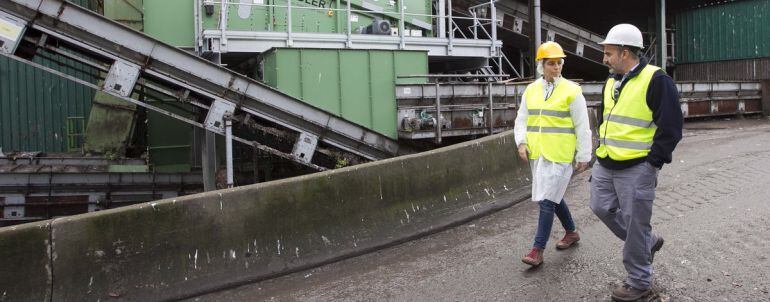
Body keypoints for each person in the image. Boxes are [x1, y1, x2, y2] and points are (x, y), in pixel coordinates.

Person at [590, 23, 683, 301]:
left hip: (638, 167)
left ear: (625, 52)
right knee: (600, 207)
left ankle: (640, 282)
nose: (604, 58)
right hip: (606, 162)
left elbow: (672, 126)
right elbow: (608, 120)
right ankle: (648, 244)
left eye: (608, 53)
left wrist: (653, 162)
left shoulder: (657, 80)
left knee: (635, 224)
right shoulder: (611, 80)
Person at [514, 41, 592, 267]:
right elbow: (522, 119)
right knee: (554, 197)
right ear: (542, 65)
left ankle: (537, 250)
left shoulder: (572, 90)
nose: (556, 67)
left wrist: (583, 155)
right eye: (551, 64)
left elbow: (582, 125)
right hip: (538, 154)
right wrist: (521, 143)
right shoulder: (531, 90)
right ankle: (571, 233)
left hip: (560, 155)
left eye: (559, 63)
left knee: (547, 200)